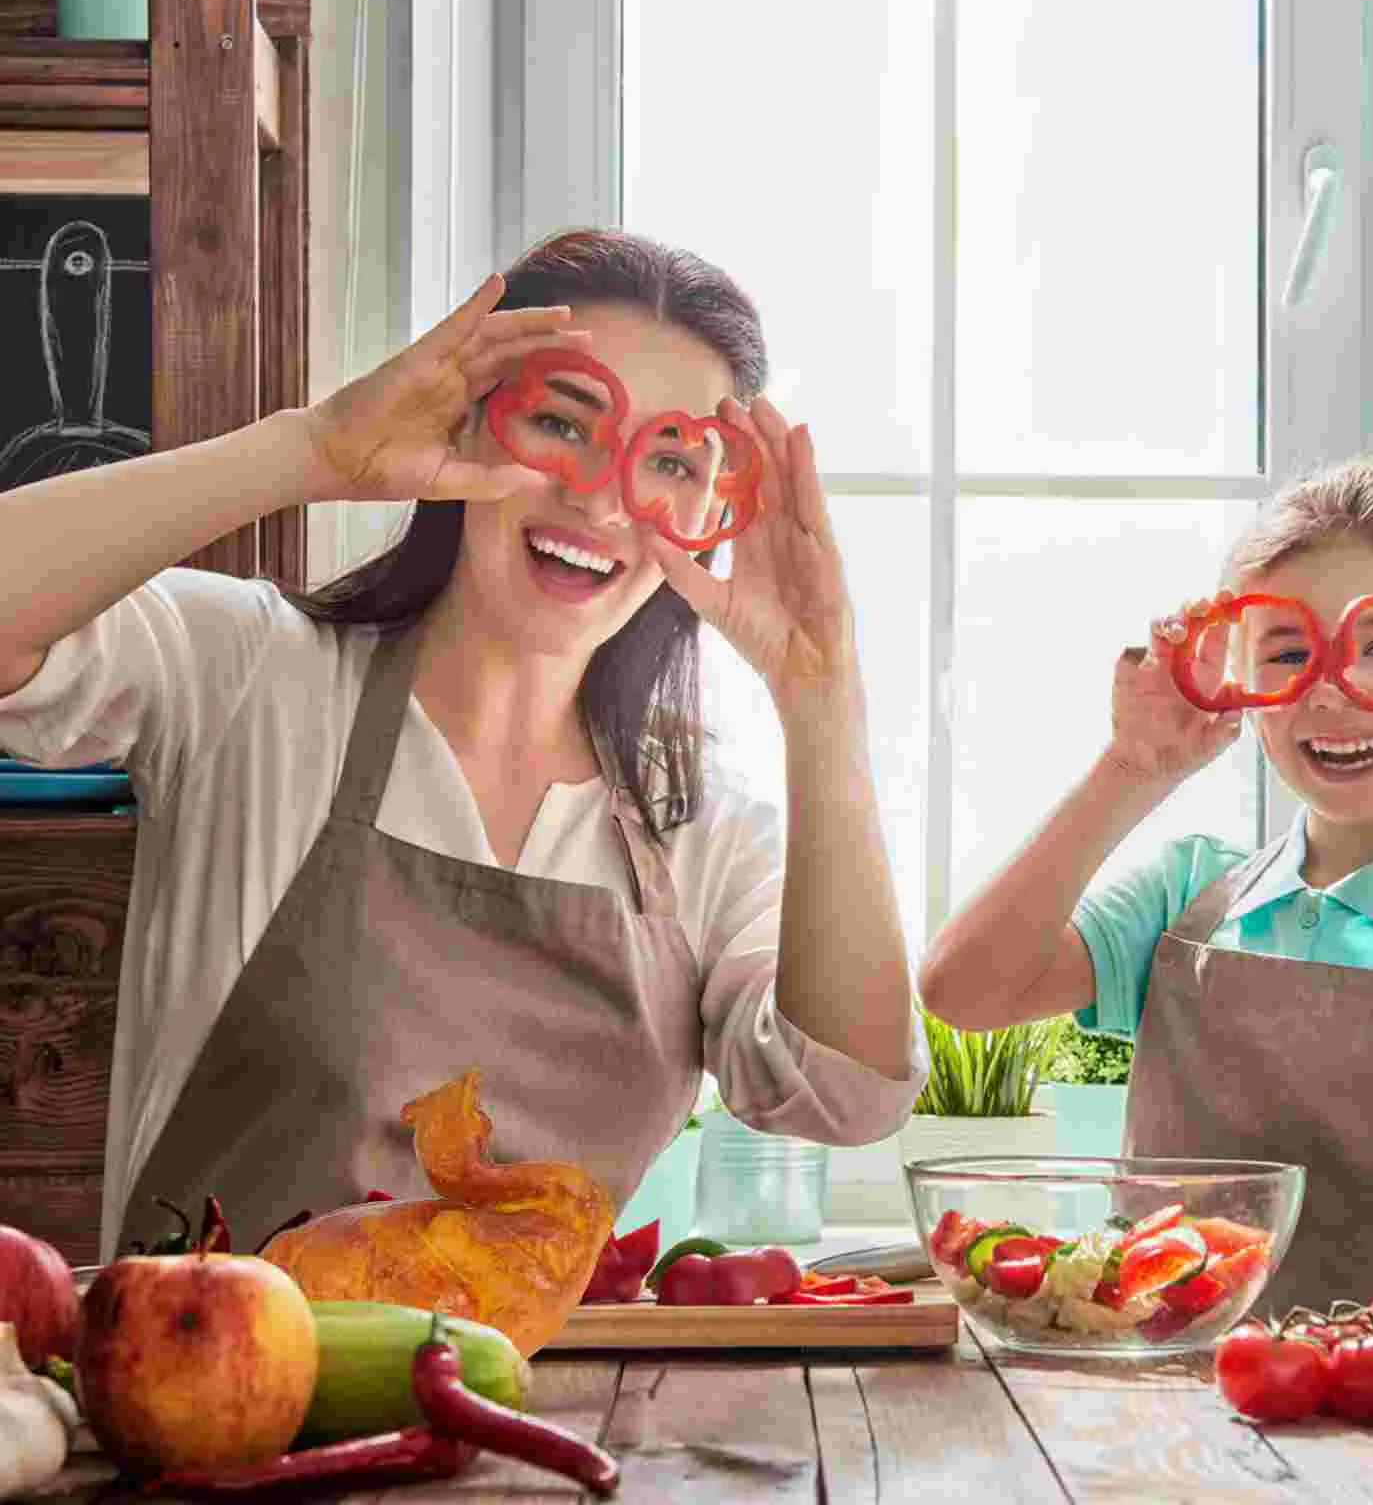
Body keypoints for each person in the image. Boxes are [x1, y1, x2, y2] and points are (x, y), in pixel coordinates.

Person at [0, 228, 925, 1262]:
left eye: (666, 459)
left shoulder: (701, 823)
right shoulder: (253, 677)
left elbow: (847, 1093)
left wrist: (821, 693)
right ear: (472, 420)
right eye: (562, 422)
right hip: (212, 1405)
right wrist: (308, 451)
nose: (599, 494)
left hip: (567, 1419)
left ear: (710, 513)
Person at [918, 458, 1373, 1309]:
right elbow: (963, 989)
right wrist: (1130, 768)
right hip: (1173, 1417)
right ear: (1243, 683)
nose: (1330, 693)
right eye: (1286, 653)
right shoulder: (1188, 898)